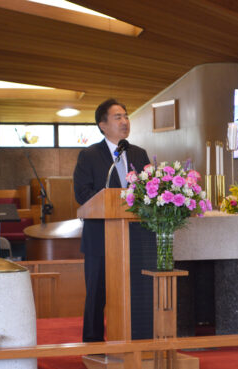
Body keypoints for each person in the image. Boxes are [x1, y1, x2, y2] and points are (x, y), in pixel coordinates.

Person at [73, 98, 150, 342]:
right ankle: (93, 343)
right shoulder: (89, 155)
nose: (125, 121)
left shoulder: (138, 153)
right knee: (97, 293)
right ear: (102, 125)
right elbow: (82, 194)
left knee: (137, 291)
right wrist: (111, 201)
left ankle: (135, 337)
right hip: (100, 238)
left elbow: (151, 190)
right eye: (118, 117)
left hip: (136, 238)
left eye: (126, 116)